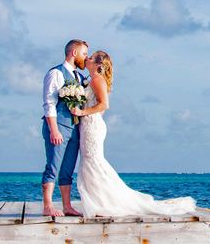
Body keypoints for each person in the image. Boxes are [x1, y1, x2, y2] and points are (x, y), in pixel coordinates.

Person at [70, 50, 197, 217]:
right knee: (90, 162)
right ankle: (100, 201)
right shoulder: (92, 80)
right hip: (89, 125)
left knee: (93, 162)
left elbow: (104, 105)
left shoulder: (97, 80)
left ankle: (105, 203)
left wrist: (82, 113)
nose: (87, 58)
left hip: (92, 125)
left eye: (91, 58)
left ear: (99, 65)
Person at [41, 39, 89, 217]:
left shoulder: (80, 77)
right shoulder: (56, 73)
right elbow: (49, 103)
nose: (86, 58)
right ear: (74, 53)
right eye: (84, 54)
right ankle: (47, 206)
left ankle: (67, 206)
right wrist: (54, 129)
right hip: (58, 126)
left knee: (68, 169)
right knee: (53, 165)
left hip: (75, 128)